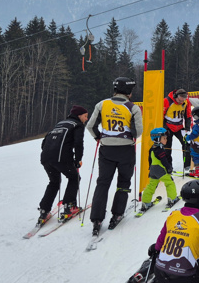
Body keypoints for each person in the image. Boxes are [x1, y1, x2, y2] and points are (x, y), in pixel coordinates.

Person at [147, 179, 199, 283]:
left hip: (159, 273)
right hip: (184, 282)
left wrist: (155, 249)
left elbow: (161, 238)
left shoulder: (174, 214)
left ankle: (163, 273)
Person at [87, 77, 143, 235]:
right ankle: (117, 214)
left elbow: (90, 126)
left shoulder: (102, 104)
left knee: (103, 183)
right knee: (123, 183)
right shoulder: (133, 107)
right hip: (126, 150)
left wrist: (99, 137)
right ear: (129, 92)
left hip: (106, 149)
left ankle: (97, 219)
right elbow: (138, 132)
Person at [38, 105, 88, 223]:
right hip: (61, 158)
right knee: (74, 177)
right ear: (79, 115)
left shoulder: (60, 124)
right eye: (85, 116)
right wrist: (78, 159)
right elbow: (78, 143)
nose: (86, 119)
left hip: (46, 158)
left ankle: (44, 210)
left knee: (54, 182)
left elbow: (44, 142)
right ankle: (69, 207)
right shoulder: (77, 125)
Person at [139, 127, 178, 212]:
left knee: (151, 185)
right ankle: (172, 198)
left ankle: (146, 202)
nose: (166, 140)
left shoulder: (152, 148)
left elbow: (150, 159)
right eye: (164, 138)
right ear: (157, 139)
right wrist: (169, 168)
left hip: (153, 170)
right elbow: (164, 161)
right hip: (161, 170)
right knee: (169, 182)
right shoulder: (160, 150)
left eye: (166, 138)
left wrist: (150, 168)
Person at [162, 88, 193, 171]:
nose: (181, 101)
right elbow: (161, 115)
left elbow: (188, 115)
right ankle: (168, 166)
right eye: (180, 99)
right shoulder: (167, 101)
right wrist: (164, 128)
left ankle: (187, 165)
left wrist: (187, 128)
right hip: (168, 126)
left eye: (184, 99)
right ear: (176, 96)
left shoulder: (186, 102)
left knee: (186, 144)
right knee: (167, 147)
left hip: (179, 126)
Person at [185, 103, 199, 178]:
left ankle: (198, 171)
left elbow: (194, 134)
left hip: (195, 145)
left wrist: (187, 137)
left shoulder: (197, 126)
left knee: (196, 157)